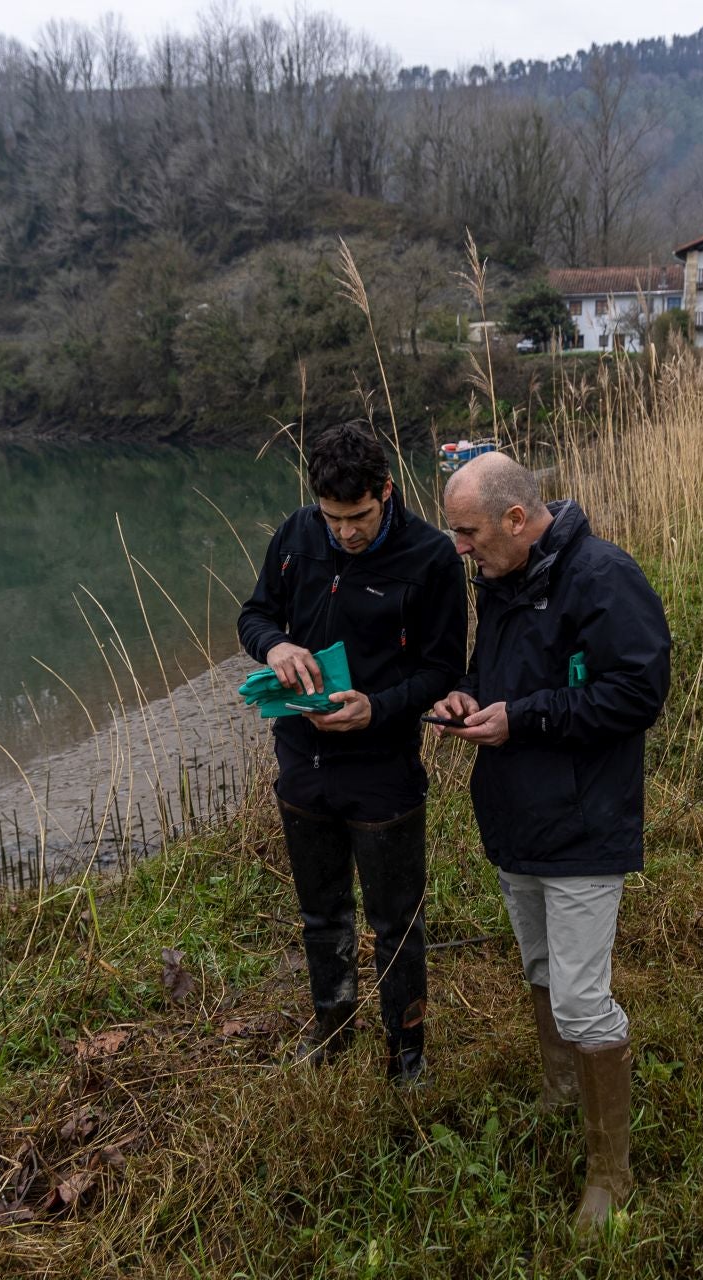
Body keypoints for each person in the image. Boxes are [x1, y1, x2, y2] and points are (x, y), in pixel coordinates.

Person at [430, 451, 672, 1229]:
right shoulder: (499, 580)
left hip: (582, 825)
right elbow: (503, 675)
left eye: (468, 532)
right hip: (514, 817)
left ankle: (611, 1172)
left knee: (580, 997)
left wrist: (523, 717)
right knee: (539, 969)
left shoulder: (604, 577)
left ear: (514, 518)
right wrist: (469, 695)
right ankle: (559, 1089)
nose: (459, 548)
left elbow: (638, 691)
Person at [238, 420, 468, 1083]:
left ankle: (407, 1057)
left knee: (396, 923)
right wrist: (273, 646)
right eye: (333, 518)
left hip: (384, 769)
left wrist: (380, 707)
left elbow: (443, 669)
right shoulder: (296, 536)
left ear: (386, 492)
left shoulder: (430, 558)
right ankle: (331, 1032)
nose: (346, 532)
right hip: (301, 761)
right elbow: (254, 614)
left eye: (360, 516)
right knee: (321, 914)